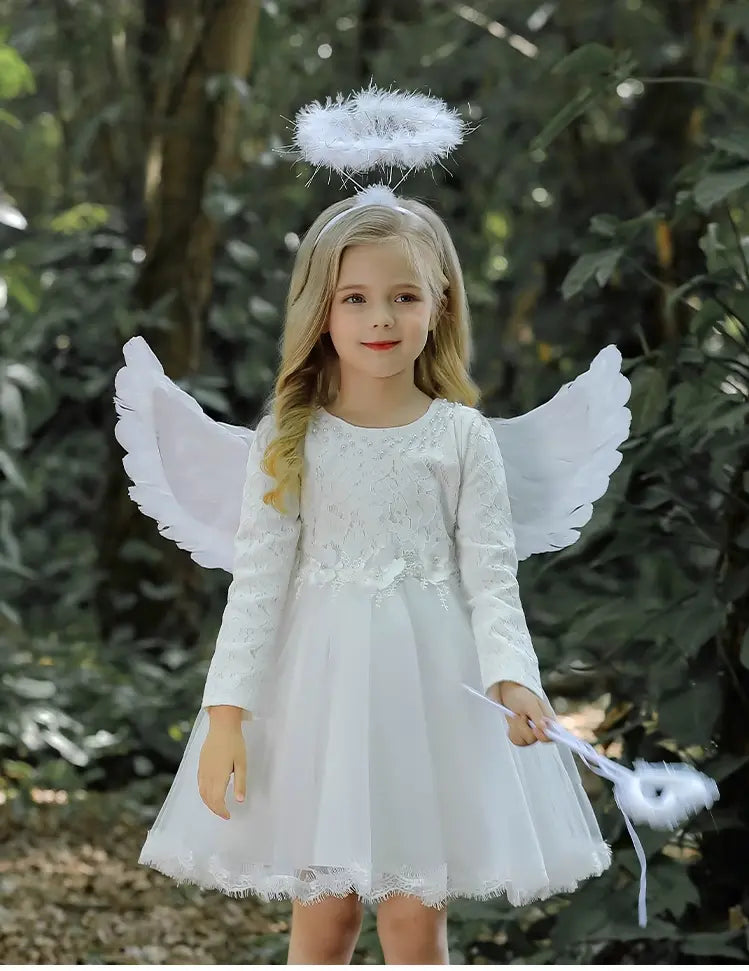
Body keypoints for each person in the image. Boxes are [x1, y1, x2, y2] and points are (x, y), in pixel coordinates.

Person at [137, 192, 612, 964]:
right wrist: (226, 713)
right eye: (354, 298)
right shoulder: (290, 438)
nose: (380, 319)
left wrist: (513, 680)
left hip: (427, 698)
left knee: (413, 917)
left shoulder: (461, 436)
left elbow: (491, 576)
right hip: (319, 701)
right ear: (321, 310)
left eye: (403, 296)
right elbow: (257, 585)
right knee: (323, 915)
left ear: (439, 304)